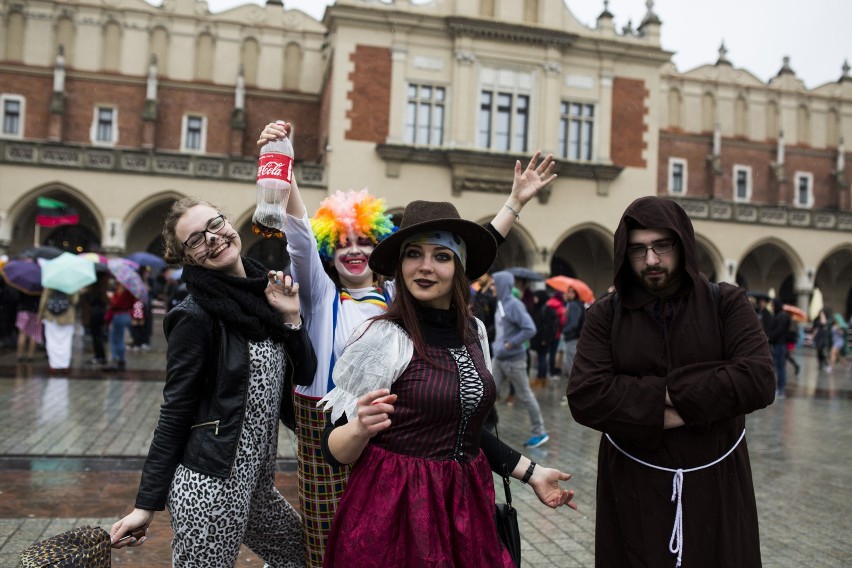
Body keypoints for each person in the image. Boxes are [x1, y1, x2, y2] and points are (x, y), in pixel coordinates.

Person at [257, 121, 556, 567]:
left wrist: (513, 203)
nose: (425, 267)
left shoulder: (431, 310)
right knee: (324, 546)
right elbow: (300, 236)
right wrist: (284, 164)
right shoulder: (331, 299)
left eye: (363, 241)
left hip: (461, 498)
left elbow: (460, 260)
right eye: (343, 243)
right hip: (362, 453)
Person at [318, 200, 577, 567]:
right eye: (413, 254)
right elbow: (332, 448)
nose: (425, 266)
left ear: (458, 267)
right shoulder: (383, 338)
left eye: (441, 256)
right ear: (400, 265)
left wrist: (531, 473)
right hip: (396, 509)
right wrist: (359, 428)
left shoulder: (475, 331)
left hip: (466, 506)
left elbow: (467, 429)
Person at [567, 196, 775, 568]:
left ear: (682, 244)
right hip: (632, 488)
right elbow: (586, 395)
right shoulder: (605, 315)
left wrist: (660, 398)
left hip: (717, 488)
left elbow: (757, 378)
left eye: (662, 246)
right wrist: (676, 403)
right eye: (638, 250)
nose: (650, 260)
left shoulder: (725, 303)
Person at [109, 198, 316, 567]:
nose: (213, 239)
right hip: (209, 491)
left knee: (305, 559)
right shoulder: (193, 317)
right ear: (188, 257)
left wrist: (292, 319)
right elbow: (175, 412)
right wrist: (146, 505)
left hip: (257, 491)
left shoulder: (266, 296)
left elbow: (304, 376)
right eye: (196, 239)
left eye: (215, 225)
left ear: (229, 223)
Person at [492, 270, 550, 448]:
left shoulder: (514, 305)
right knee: (487, 393)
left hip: (514, 359)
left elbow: (530, 328)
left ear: (503, 285)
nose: (493, 287)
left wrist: (510, 344)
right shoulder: (501, 304)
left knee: (525, 395)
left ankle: (540, 432)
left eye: (495, 284)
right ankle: (479, 430)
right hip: (500, 358)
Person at [37, 287, 79, 374]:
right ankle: (65, 365)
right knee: (66, 342)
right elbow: (75, 301)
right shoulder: (71, 283)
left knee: (51, 341)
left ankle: (53, 365)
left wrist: (40, 314)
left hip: (51, 315)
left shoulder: (50, 282)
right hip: (67, 316)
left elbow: (44, 299)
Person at [558, 286, 585, 405]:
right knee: (570, 368)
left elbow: (573, 323)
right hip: (573, 338)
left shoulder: (574, 305)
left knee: (571, 369)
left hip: (572, 339)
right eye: (567, 291)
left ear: (575, 294)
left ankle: (573, 396)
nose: (567, 294)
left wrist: (564, 330)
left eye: (570, 292)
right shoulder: (574, 305)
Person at [768, 298, 791, 398]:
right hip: (778, 344)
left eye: (773, 305)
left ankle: (781, 389)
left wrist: (770, 337)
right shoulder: (779, 315)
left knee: (780, 367)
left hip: (780, 345)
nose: (772, 307)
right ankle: (780, 387)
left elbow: (779, 330)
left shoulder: (782, 316)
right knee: (779, 367)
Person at [14, 286, 42, 362]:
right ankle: (30, 356)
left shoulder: (22, 285)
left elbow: (17, 298)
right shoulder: (40, 285)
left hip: (23, 311)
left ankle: (19, 355)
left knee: (22, 334)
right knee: (34, 335)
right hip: (36, 312)